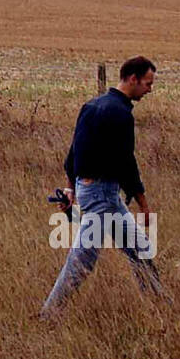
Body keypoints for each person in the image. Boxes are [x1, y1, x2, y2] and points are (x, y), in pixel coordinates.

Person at [40, 55, 166, 318]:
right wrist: (143, 203)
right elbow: (126, 163)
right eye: (147, 83)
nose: (149, 89)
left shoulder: (92, 105)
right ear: (132, 79)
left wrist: (71, 188)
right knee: (82, 260)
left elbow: (74, 153)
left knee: (140, 249)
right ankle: (49, 315)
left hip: (94, 192)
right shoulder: (120, 114)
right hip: (103, 195)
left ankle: (163, 307)